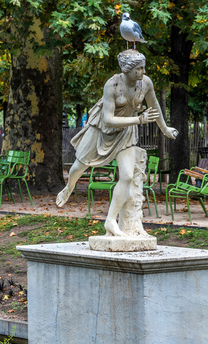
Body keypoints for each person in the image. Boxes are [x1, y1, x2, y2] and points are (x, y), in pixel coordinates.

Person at [56, 49, 178, 236]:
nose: (143, 72)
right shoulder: (112, 85)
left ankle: (110, 220)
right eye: (138, 69)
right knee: (79, 167)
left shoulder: (145, 83)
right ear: (126, 70)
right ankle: (69, 187)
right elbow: (109, 120)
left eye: (143, 67)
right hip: (101, 130)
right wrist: (138, 120)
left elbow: (155, 108)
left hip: (126, 133)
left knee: (127, 176)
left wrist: (165, 128)